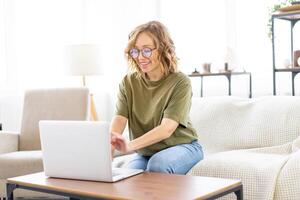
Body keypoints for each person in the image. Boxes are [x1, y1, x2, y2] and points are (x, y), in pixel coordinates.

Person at [110, 21, 203, 174]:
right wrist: (109, 149)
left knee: (157, 165)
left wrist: (129, 145)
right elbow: (119, 120)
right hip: (147, 153)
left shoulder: (180, 82)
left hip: (184, 147)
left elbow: (166, 129)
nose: (140, 57)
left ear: (162, 49)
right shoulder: (128, 82)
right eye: (135, 51)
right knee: (128, 176)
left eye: (146, 51)